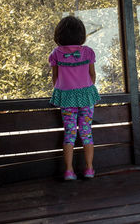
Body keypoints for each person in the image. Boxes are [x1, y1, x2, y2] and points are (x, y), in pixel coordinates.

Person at [49, 15, 101, 180]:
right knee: (86, 132)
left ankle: (69, 171)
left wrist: (67, 88)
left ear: (59, 35)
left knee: (69, 133)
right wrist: (84, 88)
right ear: (81, 35)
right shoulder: (88, 52)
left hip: (66, 99)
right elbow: (92, 76)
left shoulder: (56, 53)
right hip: (86, 97)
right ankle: (89, 169)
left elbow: (55, 79)